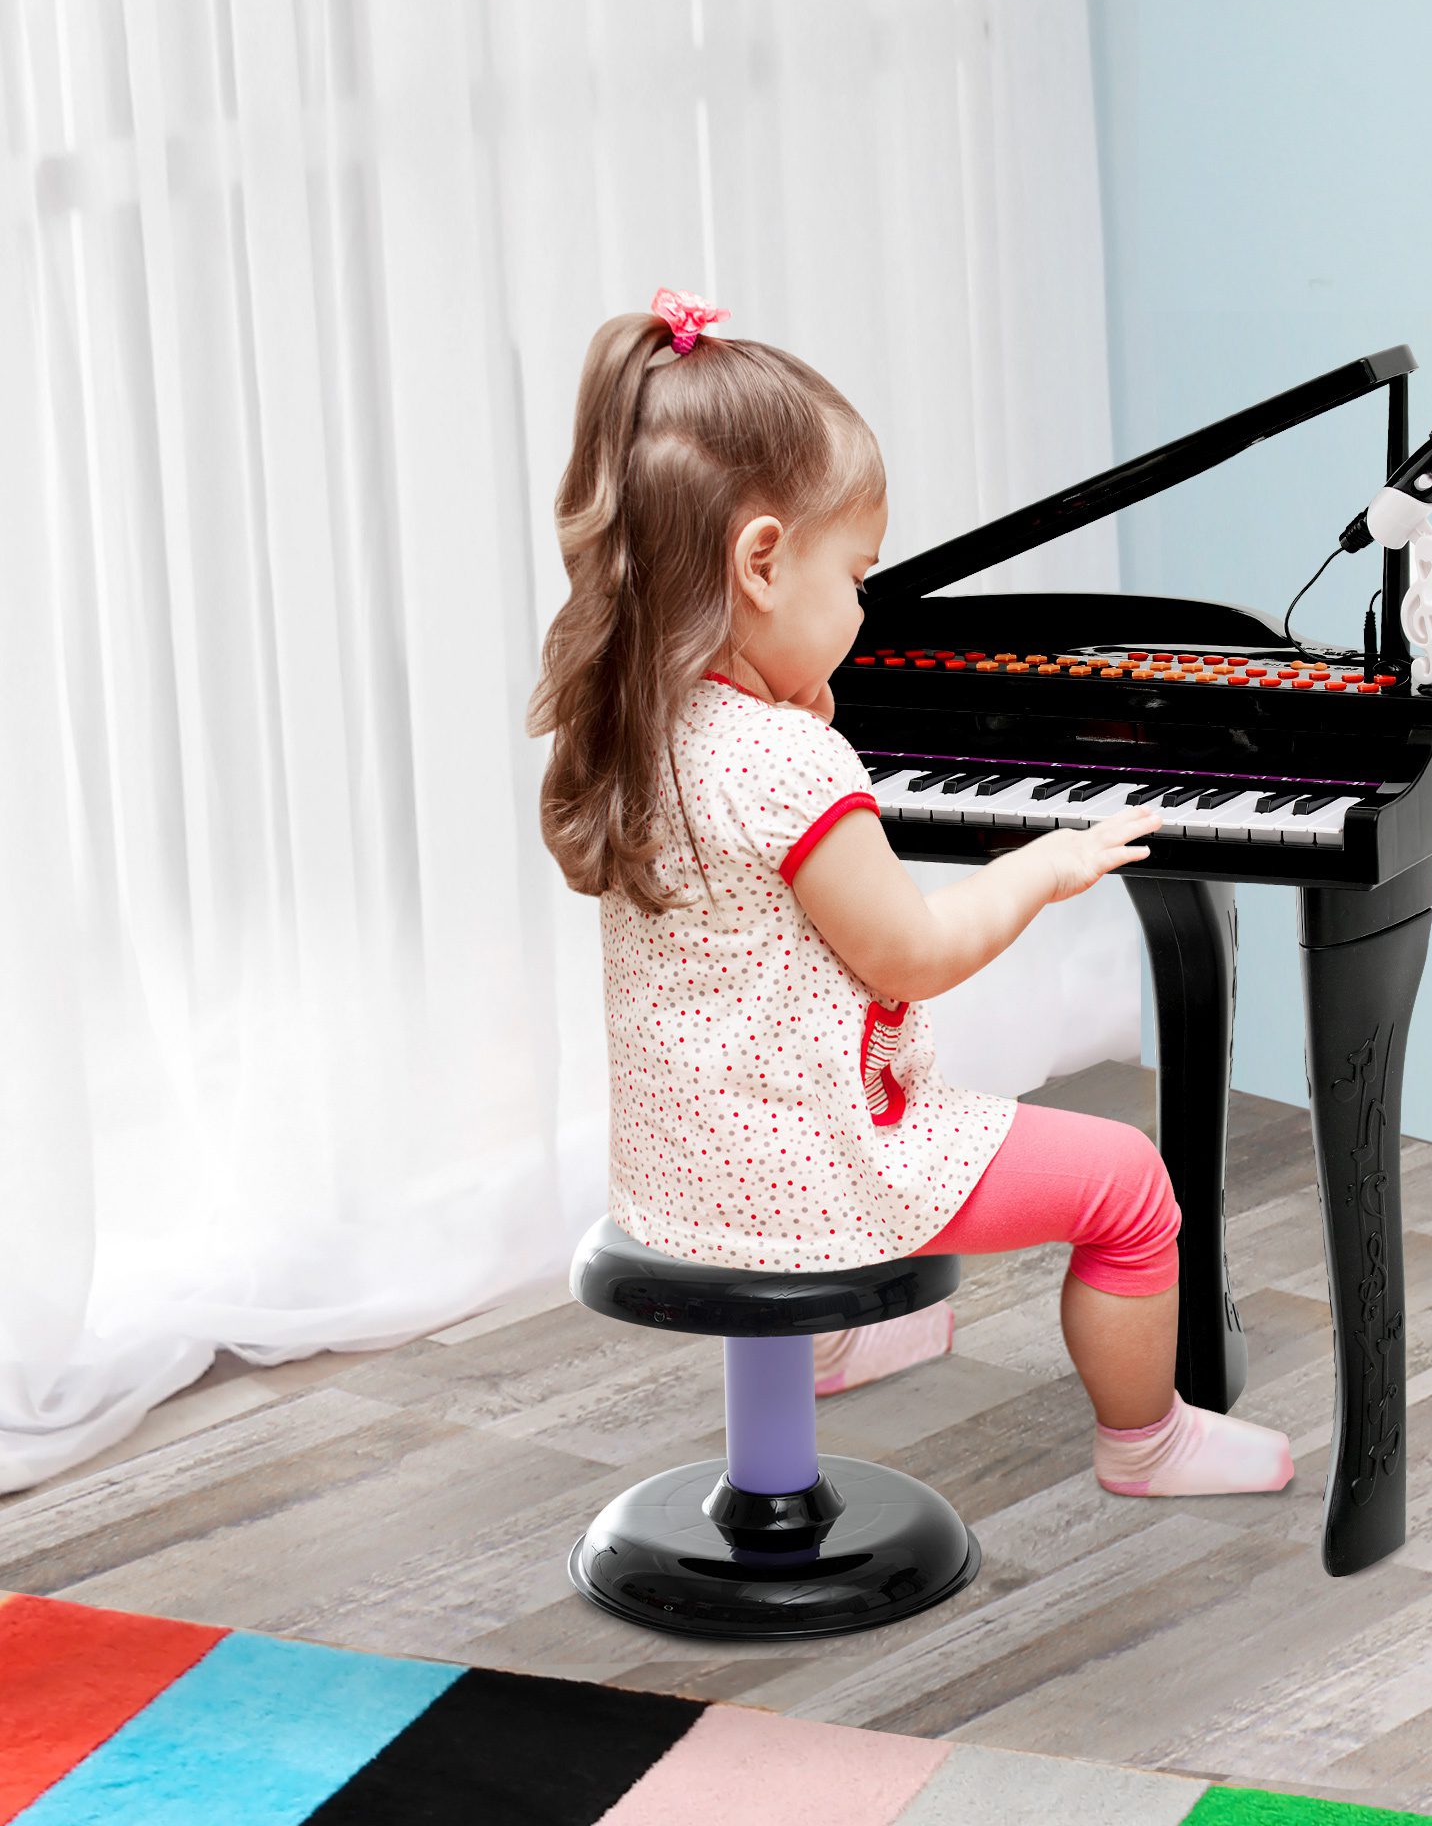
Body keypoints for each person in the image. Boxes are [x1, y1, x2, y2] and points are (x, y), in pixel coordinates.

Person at [526, 288, 1292, 1499]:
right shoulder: (785, 759)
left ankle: (839, 1336)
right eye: (859, 576)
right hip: (817, 1173)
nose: (866, 608)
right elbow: (908, 956)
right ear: (762, 562)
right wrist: (1040, 868)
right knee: (1128, 1188)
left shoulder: (640, 721)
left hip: (680, 1173)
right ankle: (1147, 1441)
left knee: (920, 1114)